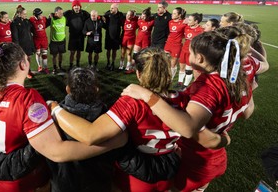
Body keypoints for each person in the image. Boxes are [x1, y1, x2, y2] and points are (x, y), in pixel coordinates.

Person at [0, 42, 126, 192]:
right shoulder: (28, 100)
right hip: (19, 180)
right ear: (22, 64)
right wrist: (109, 144)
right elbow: (56, 152)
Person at [50, 47, 229, 192]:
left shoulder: (131, 102)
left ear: (139, 74)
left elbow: (91, 135)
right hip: (168, 169)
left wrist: (55, 108)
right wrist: (224, 138)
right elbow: (199, 132)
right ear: (170, 72)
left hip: (136, 174)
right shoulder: (185, 100)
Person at [122, 31, 254, 191]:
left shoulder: (207, 86)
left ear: (199, 58)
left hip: (196, 160)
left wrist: (146, 94)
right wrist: (224, 140)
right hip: (215, 157)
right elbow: (248, 112)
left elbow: (188, 129)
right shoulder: (239, 78)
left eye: (190, 52)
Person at [176, 13, 204, 90]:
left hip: (192, 53)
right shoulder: (186, 27)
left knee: (188, 70)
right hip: (184, 50)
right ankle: (180, 82)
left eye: (190, 20)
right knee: (181, 68)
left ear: (196, 21)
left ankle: (185, 85)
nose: (188, 21)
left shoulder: (201, 30)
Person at [64, 0, 90, 69]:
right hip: (72, 36)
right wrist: (52, 14)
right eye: (74, 6)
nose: (76, 7)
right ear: (72, 7)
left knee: (79, 52)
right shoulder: (69, 13)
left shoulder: (84, 13)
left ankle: (78, 64)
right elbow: (59, 14)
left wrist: (100, 17)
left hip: (81, 36)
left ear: (80, 6)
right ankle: (71, 65)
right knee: (72, 52)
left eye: (78, 6)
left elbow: (92, 16)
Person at [11, 5, 35, 78]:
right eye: (24, 14)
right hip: (21, 44)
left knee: (29, 58)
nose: (25, 15)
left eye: (26, 14)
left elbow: (31, 31)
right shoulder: (15, 23)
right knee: (22, 59)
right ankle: (22, 72)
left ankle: (28, 70)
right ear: (19, 14)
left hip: (28, 43)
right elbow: (15, 36)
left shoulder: (27, 21)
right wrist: (17, 46)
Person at [164, 7, 187, 80]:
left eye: (174, 13)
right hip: (168, 44)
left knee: (173, 64)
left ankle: (170, 79)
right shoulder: (170, 22)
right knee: (165, 60)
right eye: (172, 13)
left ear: (179, 15)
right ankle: (165, 75)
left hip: (176, 46)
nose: (172, 15)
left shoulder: (184, 23)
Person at [103, 3, 124, 71]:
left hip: (116, 36)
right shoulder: (107, 14)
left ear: (116, 8)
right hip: (108, 35)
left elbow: (123, 24)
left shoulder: (120, 15)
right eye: (110, 8)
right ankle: (108, 62)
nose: (110, 9)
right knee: (108, 50)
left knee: (114, 50)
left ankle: (113, 63)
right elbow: (103, 20)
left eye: (112, 8)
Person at [29, 8, 50, 74]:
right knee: (38, 53)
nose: (41, 15)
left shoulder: (44, 19)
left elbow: (46, 25)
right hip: (36, 40)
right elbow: (30, 28)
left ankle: (45, 68)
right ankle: (39, 66)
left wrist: (50, 17)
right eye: (40, 14)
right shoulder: (31, 20)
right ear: (36, 15)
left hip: (44, 39)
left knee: (44, 54)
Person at [49, 6, 67, 74]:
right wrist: (51, 15)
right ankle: (54, 68)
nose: (62, 14)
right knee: (54, 56)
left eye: (62, 13)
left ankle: (60, 66)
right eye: (60, 13)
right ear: (56, 13)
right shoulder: (52, 19)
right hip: (54, 41)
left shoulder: (64, 18)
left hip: (62, 41)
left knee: (61, 54)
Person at [119, 9, 138, 73]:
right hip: (124, 39)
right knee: (122, 53)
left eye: (130, 15)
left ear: (132, 16)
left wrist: (135, 15)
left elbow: (139, 18)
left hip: (131, 39)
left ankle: (128, 67)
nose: (128, 16)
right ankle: (121, 65)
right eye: (127, 14)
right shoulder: (123, 20)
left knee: (129, 53)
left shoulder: (135, 21)